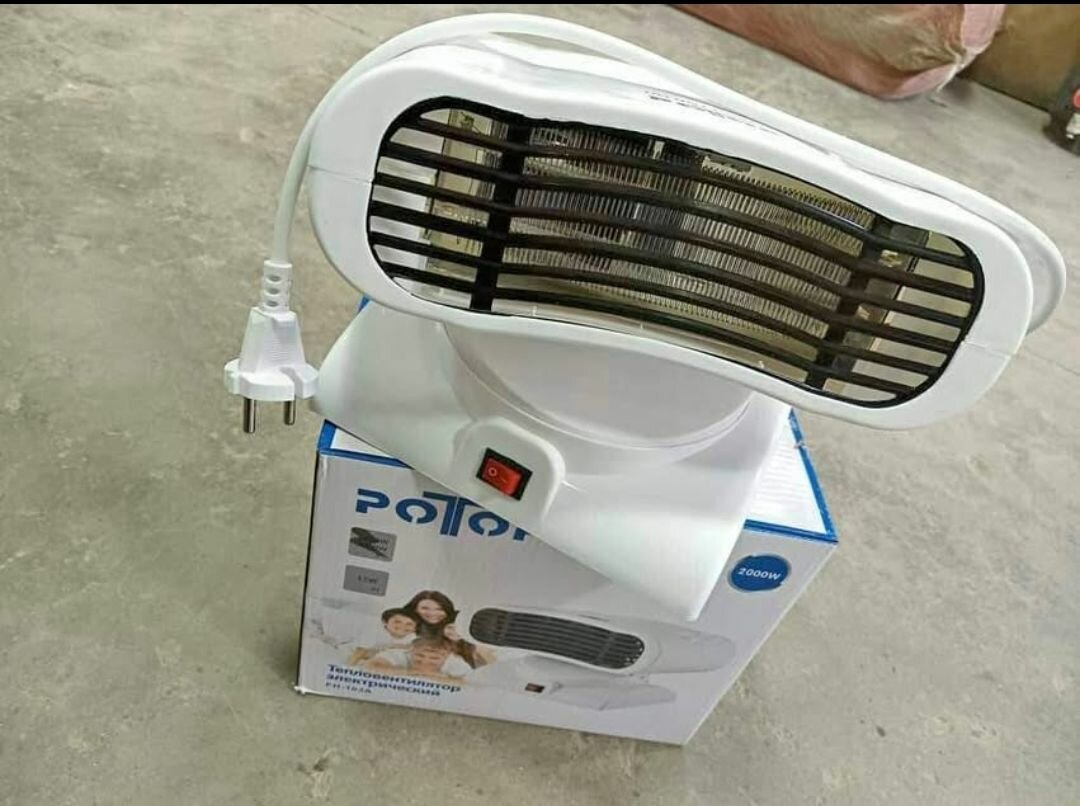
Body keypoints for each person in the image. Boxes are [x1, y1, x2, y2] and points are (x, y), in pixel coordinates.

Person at [402, 590, 495, 668]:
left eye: (439, 609)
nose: (432, 613)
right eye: (425, 608)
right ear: (415, 609)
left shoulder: (458, 621)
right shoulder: (405, 624)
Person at [363, 637, 471, 682]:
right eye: (420, 655)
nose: (425, 661)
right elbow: (370, 666)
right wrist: (416, 673)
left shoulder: (455, 662)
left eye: (434, 658)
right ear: (411, 650)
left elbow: (466, 685)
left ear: (447, 656)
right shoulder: (398, 654)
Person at [347, 607, 418, 666]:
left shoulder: (413, 637)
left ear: (415, 628)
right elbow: (360, 652)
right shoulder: (375, 633)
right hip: (353, 654)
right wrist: (349, 667)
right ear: (385, 622)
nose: (403, 626)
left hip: (375, 659)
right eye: (397, 622)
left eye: (409, 624)